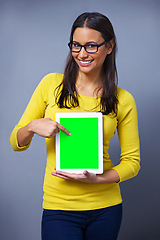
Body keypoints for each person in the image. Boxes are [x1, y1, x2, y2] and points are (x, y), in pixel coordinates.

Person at [10, 12, 140, 240]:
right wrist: (31, 127)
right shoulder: (51, 84)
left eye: (91, 46)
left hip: (106, 208)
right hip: (59, 208)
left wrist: (98, 179)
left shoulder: (123, 99)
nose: (82, 54)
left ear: (109, 46)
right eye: (76, 45)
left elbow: (132, 162)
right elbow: (16, 142)